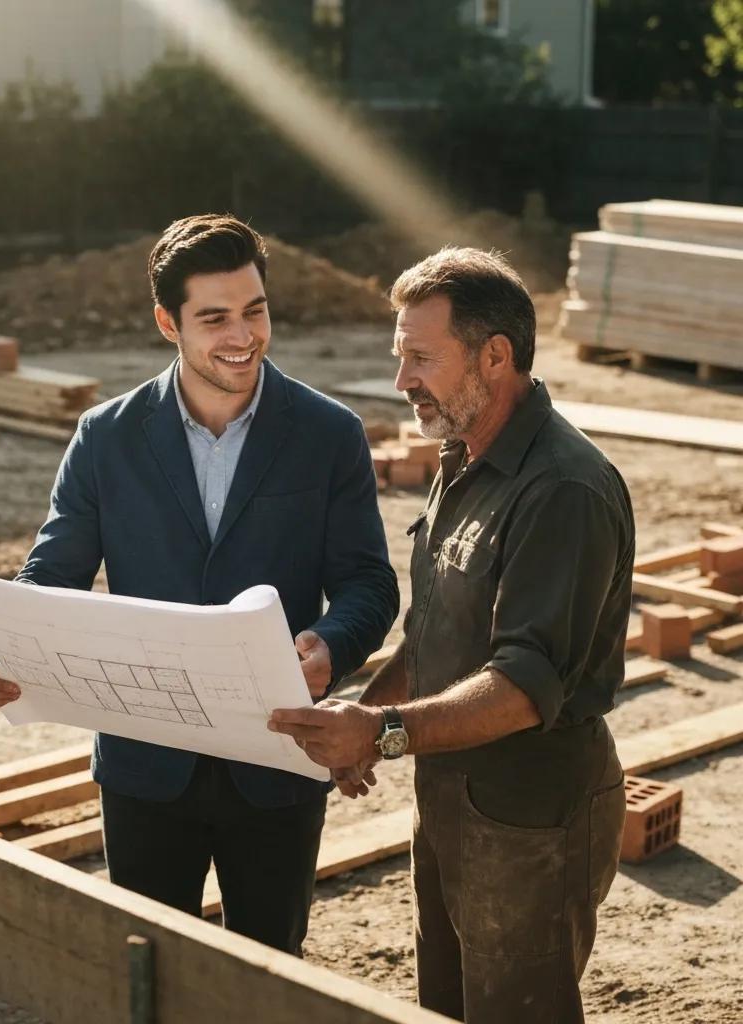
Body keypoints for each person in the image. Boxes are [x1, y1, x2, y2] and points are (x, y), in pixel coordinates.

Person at [0, 213, 399, 956]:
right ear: (169, 322)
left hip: (278, 760)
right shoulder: (106, 437)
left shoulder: (329, 434)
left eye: (255, 310)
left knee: (271, 976)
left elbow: (369, 583)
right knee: (147, 975)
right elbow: (52, 576)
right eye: (215, 318)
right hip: (144, 764)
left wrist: (331, 644)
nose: (243, 335)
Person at [269, 246, 633, 1019]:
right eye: (400, 357)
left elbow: (525, 685)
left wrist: (382, 732)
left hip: (530, 814)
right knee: (443, 1005)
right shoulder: (464, 455)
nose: (403, 380)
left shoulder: (563, 490)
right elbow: (434, 631)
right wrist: (366, 720)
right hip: (449, 793)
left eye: (421, 358)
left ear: (494, 356)